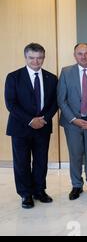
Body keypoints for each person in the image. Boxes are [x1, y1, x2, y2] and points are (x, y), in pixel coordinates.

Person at [4, 43, 58, 209]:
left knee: (41, 161)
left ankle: (39, 191)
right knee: (22, 162)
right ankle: (25, 194)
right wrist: (30, 120)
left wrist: (44, 119)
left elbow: (55, 102)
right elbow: (11, 103)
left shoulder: (51, 78)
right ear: (25, 57)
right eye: (32, 58)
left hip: (43, 125)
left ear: (43, 58)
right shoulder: (13, 77)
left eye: (39, 58)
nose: (36, 61)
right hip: (20, 127)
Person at [57, 43, 87, 200]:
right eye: (80, 53)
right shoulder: (66, 72)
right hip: (72, 122)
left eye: (86, 53)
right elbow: (61, 99)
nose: (83, 56)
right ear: (74, 55)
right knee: (75, 155)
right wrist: (74, 119)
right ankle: (76, 186)